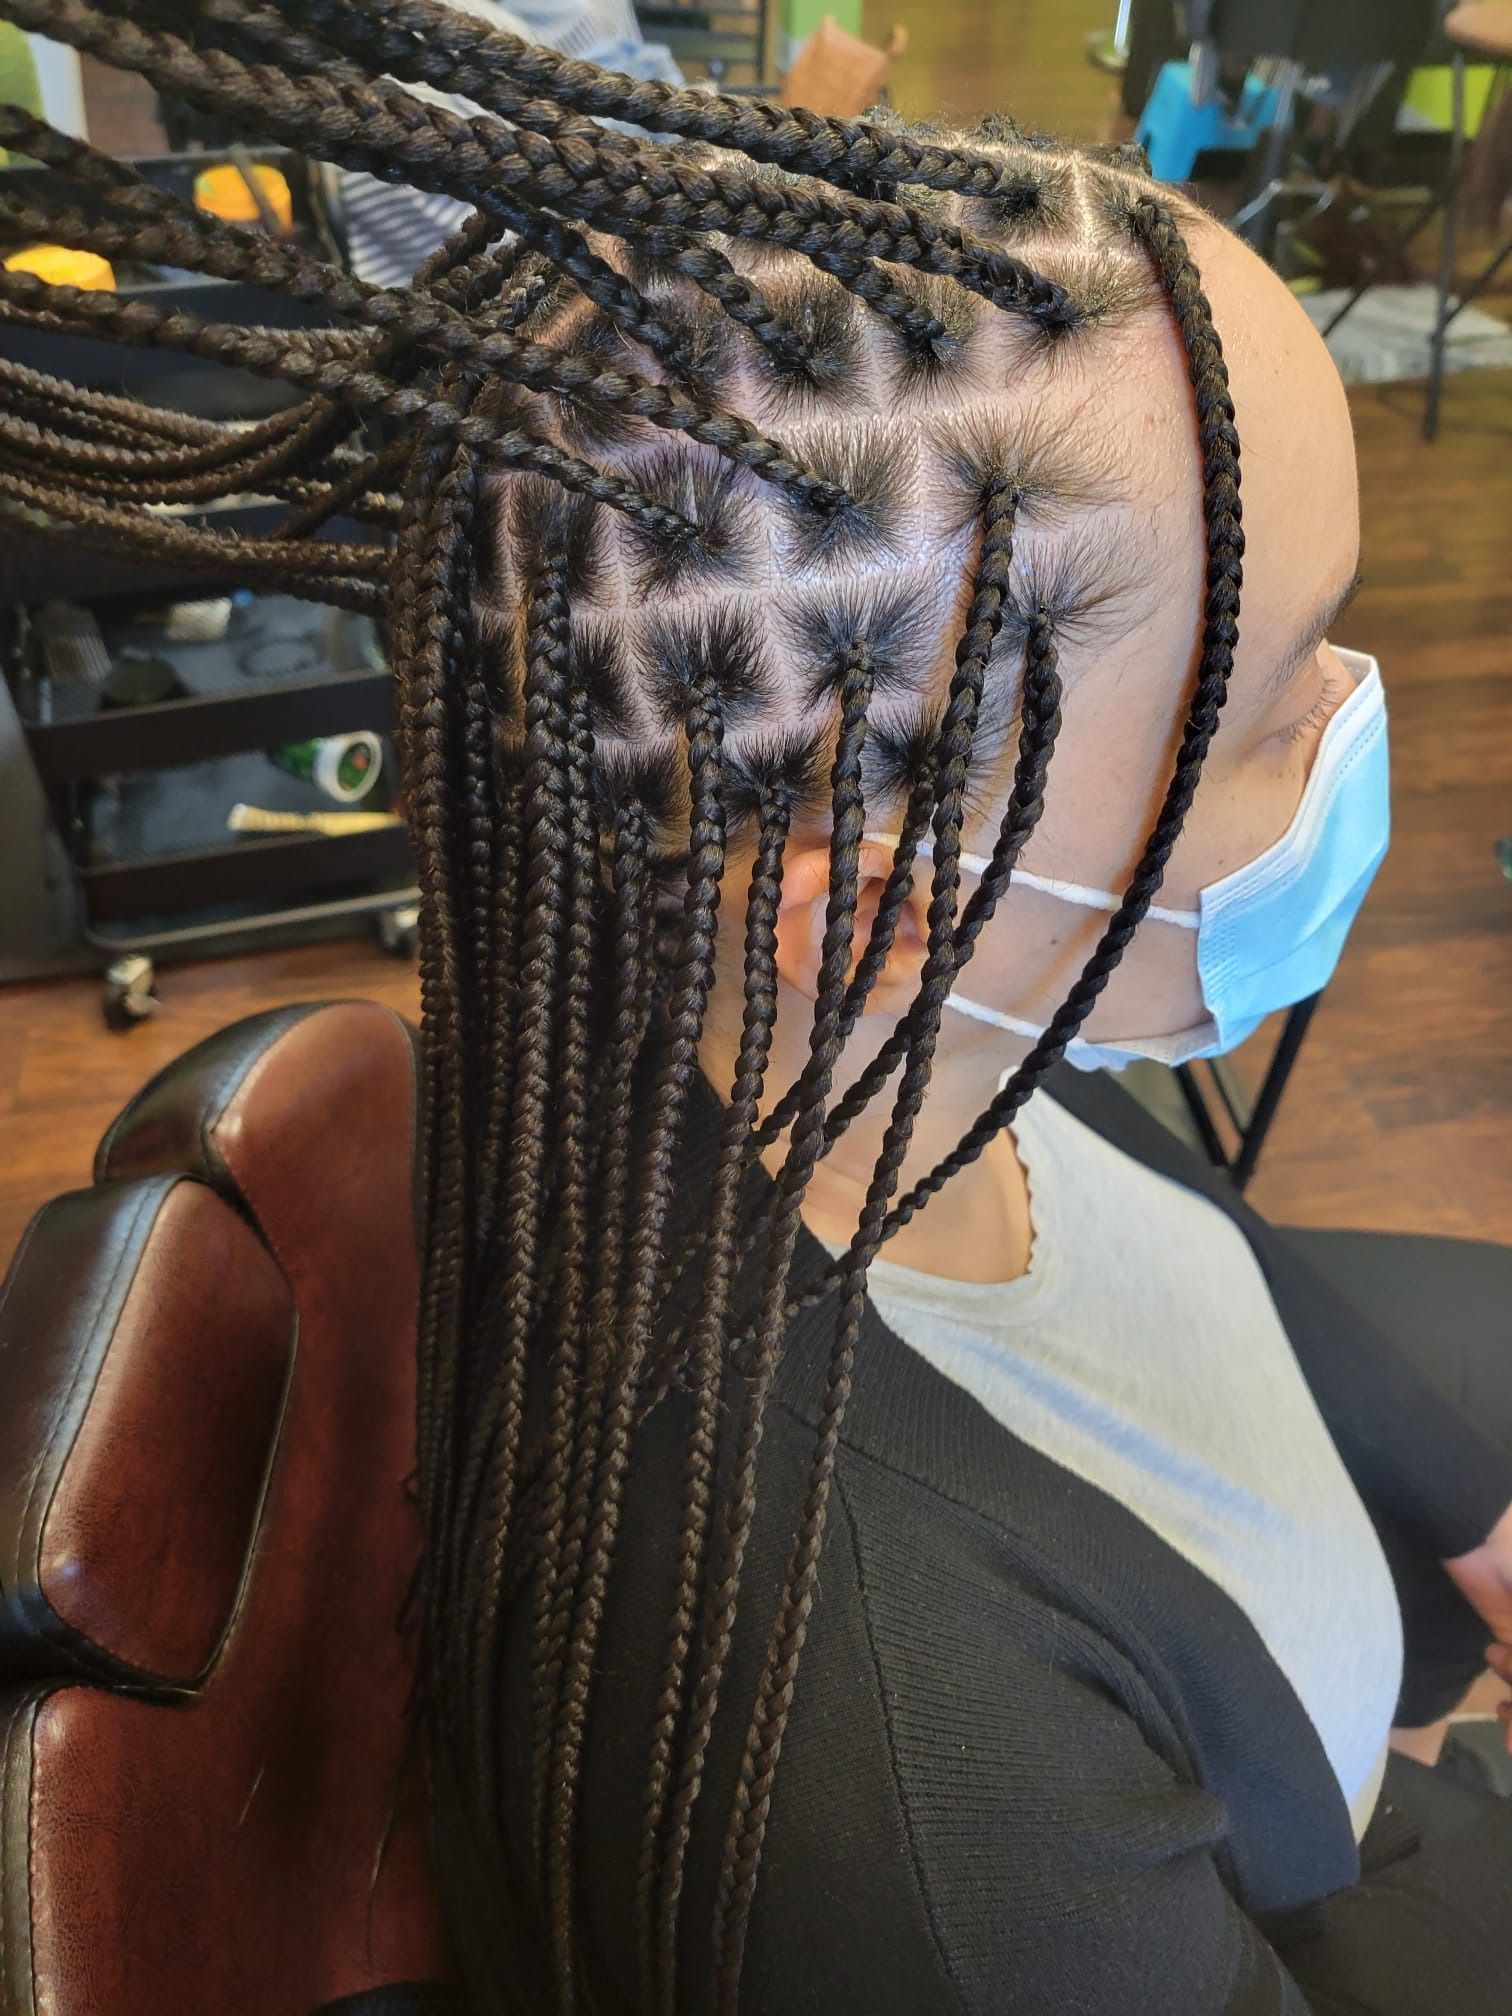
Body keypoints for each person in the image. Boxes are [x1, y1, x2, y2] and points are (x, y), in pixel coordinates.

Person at [0, 3, 1508, 2011]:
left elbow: (1158, 1213)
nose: (1353, 722)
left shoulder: (852, 1029)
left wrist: (1464, 1495)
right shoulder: (930, 1792)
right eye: (1275, 696)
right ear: (880, 917)